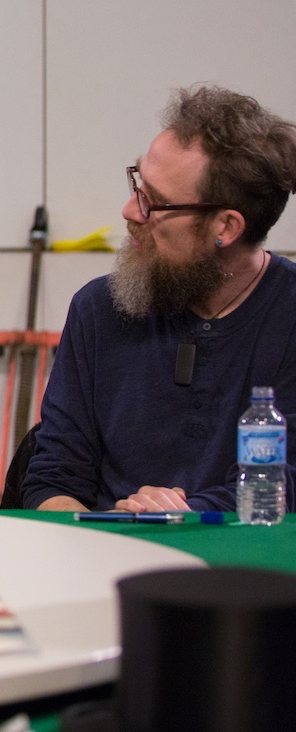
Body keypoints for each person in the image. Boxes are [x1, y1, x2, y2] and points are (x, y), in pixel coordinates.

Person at [22, 85, 296, 513]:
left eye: (156, 202)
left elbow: (284, 486)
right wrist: (110, 531)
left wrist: (182, 520)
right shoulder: (99, 310)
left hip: (251, 571)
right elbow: (51, 479)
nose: (130, 211)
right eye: (138, 184)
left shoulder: (289, 316)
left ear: (225, 227)